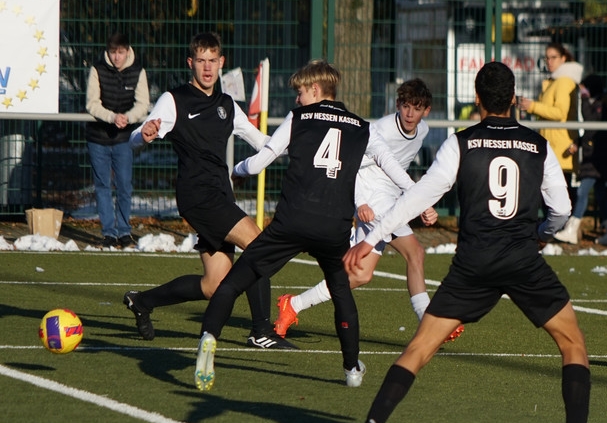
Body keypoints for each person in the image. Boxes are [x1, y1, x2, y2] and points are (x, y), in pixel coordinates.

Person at [314, 61, 607, 423]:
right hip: (522, 259)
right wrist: (543, 234)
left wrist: (370, 240)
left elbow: (417, 198)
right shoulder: (538, 145)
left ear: (477, 100)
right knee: (572, 343)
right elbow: (562, 210)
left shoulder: (460, 143)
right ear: (513, 100)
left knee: (420, 348)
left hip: (474, 263)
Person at [193, 60, 419, 391]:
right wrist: (419, 197)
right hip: (333, 228)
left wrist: (237, 170)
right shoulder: (362, 126)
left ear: (315, 90)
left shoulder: (298, 119)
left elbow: (258, 164)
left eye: (300, 92)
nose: (296, 99)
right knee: (341, 292)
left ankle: (209, 338)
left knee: (235, 281)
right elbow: (391, 167)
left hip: (291, 221)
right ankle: (352, 368)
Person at [122, 32, 280, 349]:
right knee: (259, 246)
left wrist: (298, 145)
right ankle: (261, 330)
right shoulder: (174, 99)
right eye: (201, 61)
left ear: (221, 63)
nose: (207, 68)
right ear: (190, 63)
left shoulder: (227, 106)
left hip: (221, 195)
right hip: (197, 195)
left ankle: (143, 301)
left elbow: (263, 142)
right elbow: (135, 138)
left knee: (214, 285)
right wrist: (145, 134)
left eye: (213, 61)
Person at [273, 78, 461, 342]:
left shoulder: (424, 131)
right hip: (373, 200)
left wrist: (417, 201)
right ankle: (431, 327)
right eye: (405, 106)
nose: (410, 114)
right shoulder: (380, 129)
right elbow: (352, 165)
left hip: (391, 202)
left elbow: (398, 170)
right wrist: (360, 202)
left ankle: (293, 305)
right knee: (414, 253)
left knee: (361, 274)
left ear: (426, 111)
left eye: (416, 108)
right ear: (397, 105)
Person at [84, 33, 150, 248]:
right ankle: (108, 233)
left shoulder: (138, 72)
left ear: (127, 50)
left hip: (124, 138)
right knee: (102, 185)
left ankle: (124, 232)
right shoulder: (97, 69)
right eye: (113, 52)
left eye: (120, 52)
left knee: (124, 185)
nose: (116, 57)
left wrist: (128, 118)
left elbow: (143, 104)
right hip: (98, 137)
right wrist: (111, 117)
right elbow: (92, 103)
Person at [554, 73, 607, 246]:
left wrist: (583, 99)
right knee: (601, 194)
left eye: (585, 88)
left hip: (598, 157)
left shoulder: (602, 105)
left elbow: (590, 124)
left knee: (583, 192)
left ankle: (571, 230)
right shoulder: (599, 104)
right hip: (595, 156)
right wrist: (578, 144)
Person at [516, 41, 584, 183]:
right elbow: (547, 113)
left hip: (561, 150)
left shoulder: (564, 81)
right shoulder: (552, 82)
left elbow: (559, 113)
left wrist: (533, 106)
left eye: (553, 57)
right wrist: (530, 107)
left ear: (563, 58)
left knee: (559, 200)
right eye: (547, 58)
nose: (549, 61)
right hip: (552, 148)